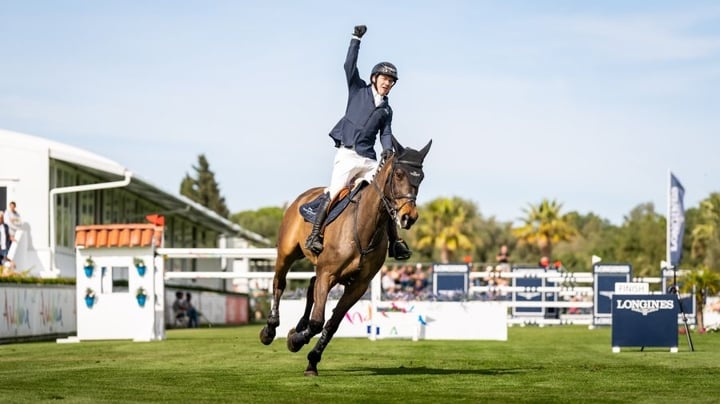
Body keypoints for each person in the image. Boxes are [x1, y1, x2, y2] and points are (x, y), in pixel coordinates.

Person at [305, 24, 411, 261]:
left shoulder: (387, 109)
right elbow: (348, 66)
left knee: (386, 195)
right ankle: (315, 234)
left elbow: (386, 133)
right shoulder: (357, 90)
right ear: (375, 78)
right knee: (333, 193)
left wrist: (386, 150)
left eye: (391, 81)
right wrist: (356, 39)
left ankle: (395, 242)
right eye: (385, 78)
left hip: (369, 159)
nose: (388, 83)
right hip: (348, 155)